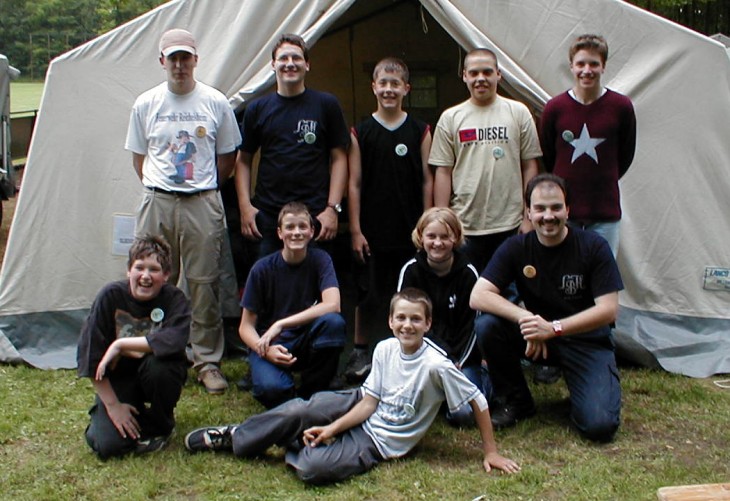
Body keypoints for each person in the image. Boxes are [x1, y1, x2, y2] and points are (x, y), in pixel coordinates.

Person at [184, 288, 519, 484]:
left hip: (381, 441)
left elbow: (478, 400)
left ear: (428, 324)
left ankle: (282, 437)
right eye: (400, 318)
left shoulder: (437, 365)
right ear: (390, 322)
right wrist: (332, 427)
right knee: (304, 408)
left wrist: (490, 451)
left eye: (416, 319)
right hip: (359, 404)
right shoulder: (386, 348)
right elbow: (369, 403)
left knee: (313, 469)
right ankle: (236, 436)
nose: (407, 325)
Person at [125, 28, 242, 394]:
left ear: (195, 60)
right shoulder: (146, 103)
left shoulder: (215, 101)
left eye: (185, 57)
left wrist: (202, 188)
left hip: (202, 201)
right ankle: (151, 351)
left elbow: (228, 157)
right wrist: (162, 188)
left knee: (204, 283)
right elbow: (139, 158)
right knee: (151, 279)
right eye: (172, 57)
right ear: (162, 61)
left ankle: (206, 360)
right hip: (158, 199)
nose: (179, 64)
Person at [470, 174, 623, 442]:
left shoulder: (593, 246)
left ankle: (589, 392)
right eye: (540, 208)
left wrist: (553, 329)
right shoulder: (516, 247)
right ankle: (516, 401)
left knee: (599, 427)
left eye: (556, 207)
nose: (548, 216)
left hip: (585, 342)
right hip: (538, 338)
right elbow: (478, 296)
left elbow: (608, 310)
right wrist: (527, 319)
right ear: (528, 211)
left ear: (568, 210)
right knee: (487, 325)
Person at [343, 57, 433, 383]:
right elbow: (353, 183)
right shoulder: (361, 131)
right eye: (383, 83)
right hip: (371, 229)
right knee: (368, 293)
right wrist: (355, 229)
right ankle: (360, 350)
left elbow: (427, 180)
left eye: (395, 84)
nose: (389, 90)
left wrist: (426, 227)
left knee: (411, 291)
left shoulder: (420, 131)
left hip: (410, 229)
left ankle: (409, 351)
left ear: (406, 89)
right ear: (374, 87)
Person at [235, 33, 350, 258]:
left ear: (307, 64)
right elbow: (243, 159)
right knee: (268, 283)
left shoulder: (326, 105)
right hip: (269, 216)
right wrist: (245, 207)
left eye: (296, 58)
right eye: (284, 58)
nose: (290, 64)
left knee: (316, 283)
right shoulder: (257, 109)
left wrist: (332, 209)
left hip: (315, 215)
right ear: (273, 65)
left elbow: (339, 158)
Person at [77, 235, 191, 459]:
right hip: (119, 381)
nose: (146, 276)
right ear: (129, 270)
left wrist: (120, 345)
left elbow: (173, 341)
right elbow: (91, 358)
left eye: (154, 269)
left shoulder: (174, 299)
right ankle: (117, 417)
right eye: (139, 267)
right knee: (108, 446)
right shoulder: (109, 297)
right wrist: (113, 407)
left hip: (154, 374)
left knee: (163, 367)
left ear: (166, 275)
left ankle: (161, 423)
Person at [430, 48, 541, 274]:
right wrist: (444, 221)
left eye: (487, 72)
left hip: (510, 225)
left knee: (509, 293)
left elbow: (530, 166)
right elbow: (443, 171)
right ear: (464, 76)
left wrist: (528, 216)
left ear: (498, 74)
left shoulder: (518, 112)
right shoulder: (451, 117)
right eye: (474, 73)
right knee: (468, 293)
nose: (481, 78)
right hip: (465, 227)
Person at [238, 202, 346, 409]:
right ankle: (284, 391)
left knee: (333, 323)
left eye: (302, 227)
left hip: (305, 341)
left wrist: (281, 323)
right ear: (279, 233)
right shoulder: (262, 269)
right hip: (271, 344)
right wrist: (265, 350)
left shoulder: (321, 260)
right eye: (290, 227)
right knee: (272, 390)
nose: (296, 232)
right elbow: (245, 326)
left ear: (312, 231)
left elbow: (333, 305)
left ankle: (313, 390)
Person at [539, 34, 636, 256]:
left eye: (594, 64)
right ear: (571, 66)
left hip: (605, 212)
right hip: (563, 212)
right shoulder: (555, 108)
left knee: (603, 276)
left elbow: (625, 154)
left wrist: (603, 176)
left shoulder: (621, 107)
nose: (587, 70)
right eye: (581, 63)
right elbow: (549, 155)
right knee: (563, 274)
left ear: (603, 66)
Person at [398, 207, 491, 426]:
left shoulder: (469, 273)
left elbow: (472, 326)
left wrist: (457, 361)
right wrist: (443, 357)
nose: (437, 243)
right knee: (403, 409)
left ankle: (485, 379)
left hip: (461, 359)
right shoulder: (411, 271)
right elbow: (405, 324)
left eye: (445, 236)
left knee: (464, 416)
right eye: (431, 236)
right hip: (423, 356)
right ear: (421, 237)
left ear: (456, 238)